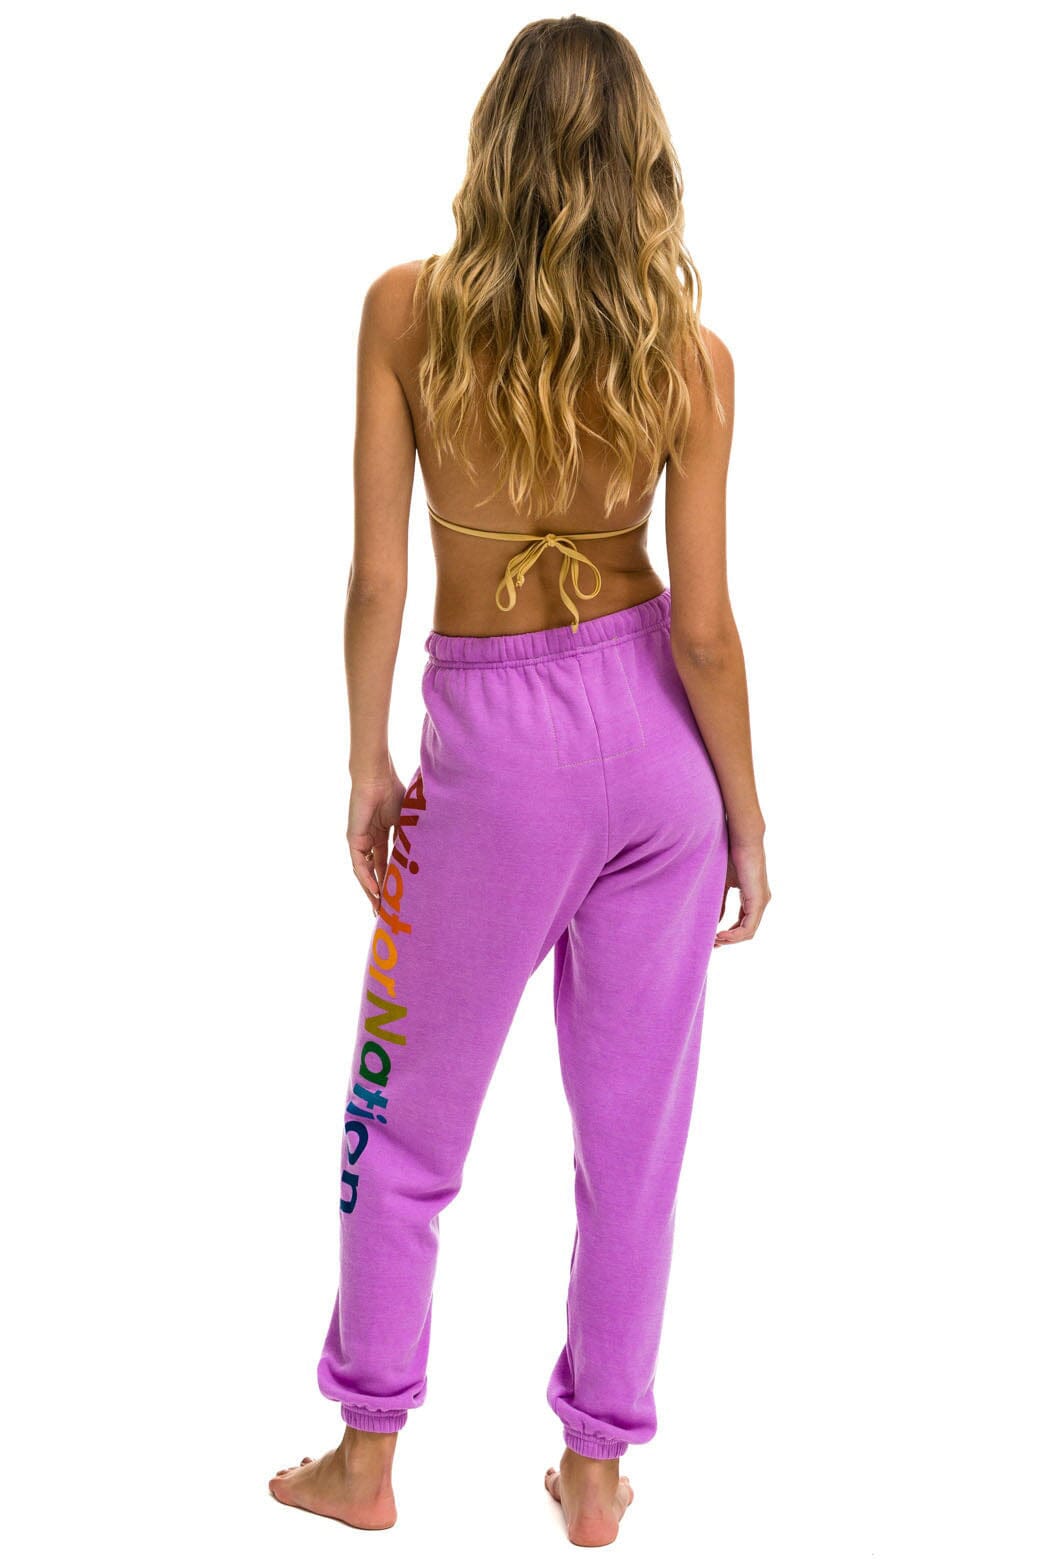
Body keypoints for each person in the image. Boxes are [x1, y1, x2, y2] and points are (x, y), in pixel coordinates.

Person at [269, 15, 770, 1547]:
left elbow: (376, 578)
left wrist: (368, 762)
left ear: (495, 143)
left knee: (401, 1124)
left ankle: (365, 1457)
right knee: (633, 1151)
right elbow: (703, 631)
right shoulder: (689, 361)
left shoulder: (407, 313)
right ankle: (597, 1475)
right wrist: (749, 820)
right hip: (661, 769)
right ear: (643, 165)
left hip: (493, 761)